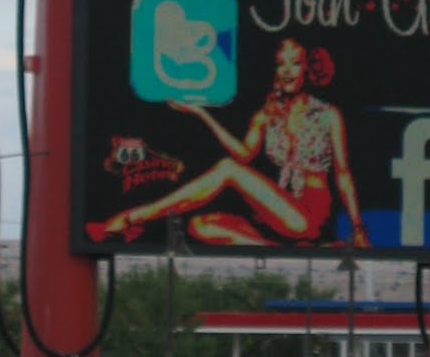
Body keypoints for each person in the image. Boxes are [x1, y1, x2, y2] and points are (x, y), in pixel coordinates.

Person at [88, 37, 369, 250]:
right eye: (281, 63)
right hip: (278, 222)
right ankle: (279, 251)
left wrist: (357, 228)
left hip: (308, 219)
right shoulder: (266, 116)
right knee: (200, 226)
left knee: (227, 169)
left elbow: (343, 175)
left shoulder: (328, 115)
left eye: (295, 63)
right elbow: (244, 155)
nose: (288, 71)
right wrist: (202, 113)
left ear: (308, 67)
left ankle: (132, 218)